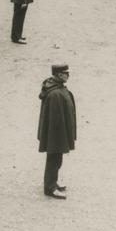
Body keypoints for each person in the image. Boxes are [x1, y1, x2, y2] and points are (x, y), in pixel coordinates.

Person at [37, 64, 76, 199]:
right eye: (66, 73)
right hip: (56, 135)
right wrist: (60, 139)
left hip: (57, 134)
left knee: (56, 160)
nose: (68, 75)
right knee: (54, 160)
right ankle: (50, 188)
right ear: (59, 75)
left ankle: (52, 183)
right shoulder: (55, 94)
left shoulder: (56, 88)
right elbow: (55, 120)